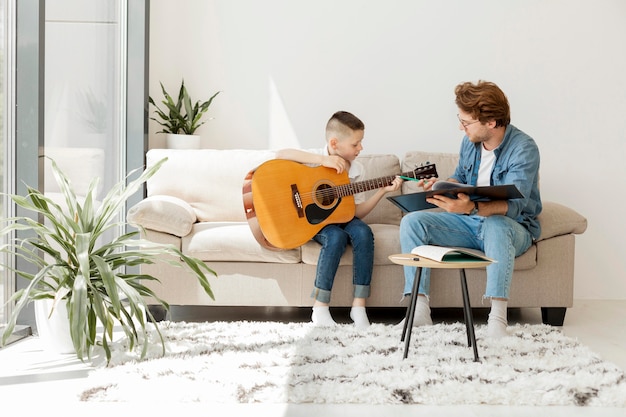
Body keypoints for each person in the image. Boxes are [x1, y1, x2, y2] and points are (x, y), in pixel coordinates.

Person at [399, 80, 542, 339]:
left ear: (491, 122)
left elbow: (515, 205)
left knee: (496, 224)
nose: (460, 127)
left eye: (466, 122)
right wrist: (442, 186)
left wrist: (472, 207)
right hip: (471, 223)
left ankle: (497, 319)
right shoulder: (470, 143)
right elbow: (460, 177)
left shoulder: (524, 148)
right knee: (412, 222)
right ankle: (418, 310)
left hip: (513, 227)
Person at [275, 111, 402, 330]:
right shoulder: (314, 158)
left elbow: (356, 213)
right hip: (312, 221)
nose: (360, 148)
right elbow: (280, 155)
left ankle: (359, 307)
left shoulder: (358, 169)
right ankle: (320, 308)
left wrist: (382, 190)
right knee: (335, 237)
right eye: (356, 144)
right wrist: (323, 160)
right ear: (334, 143)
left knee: (363, 232)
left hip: (343, 217)